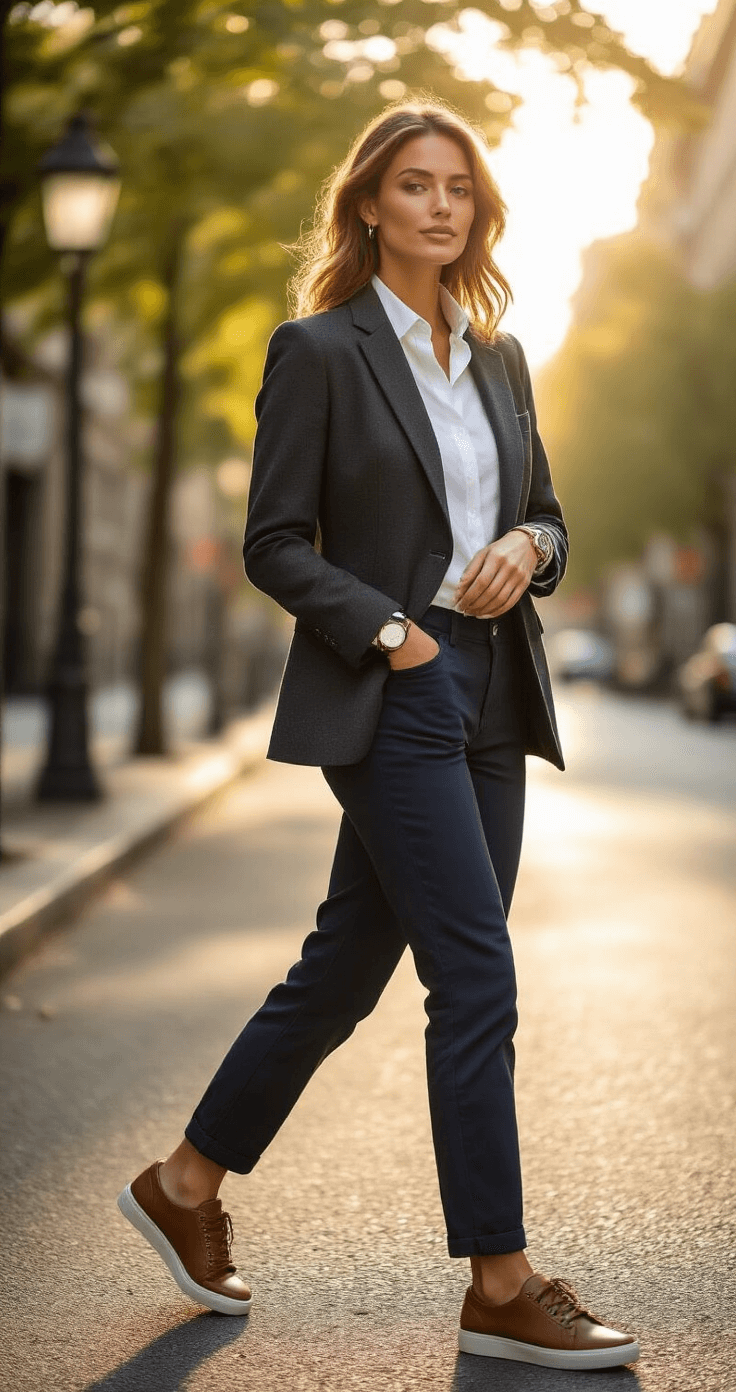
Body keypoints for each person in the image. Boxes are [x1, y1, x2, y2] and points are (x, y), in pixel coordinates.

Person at [118, 100, 639, 1370]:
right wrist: (391, 632)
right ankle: (500, 1282)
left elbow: (550, 515)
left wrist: (531, 545)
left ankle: (185, 1184)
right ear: (369, 205)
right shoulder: (321, 352)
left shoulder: (504, 361)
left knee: (348, 963)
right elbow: (273, 543)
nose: (441, 206)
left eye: (458, 186)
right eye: (415, 185)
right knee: (475, 977)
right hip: (397, 691)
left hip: (495, 694)